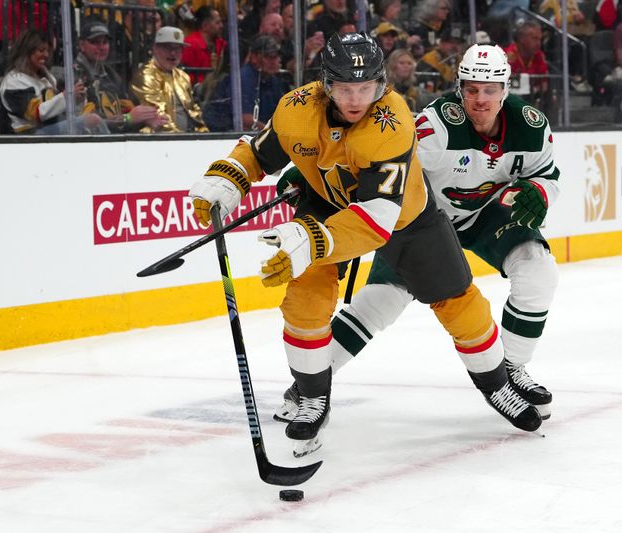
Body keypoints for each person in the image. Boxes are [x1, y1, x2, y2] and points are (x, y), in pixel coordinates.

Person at [189, 32, 543, 457]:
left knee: (458, 302)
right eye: (344, 88)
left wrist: (309, 239)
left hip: (406, 216)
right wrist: (227, 178)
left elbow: (377, 219)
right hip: (325, 203)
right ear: (325, 85)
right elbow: (260, 152)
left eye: (365, 89)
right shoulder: (295, 109)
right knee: (305, 297)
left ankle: (496, 385)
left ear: (381, 86)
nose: (356, 99)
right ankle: (313, 396)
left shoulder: (391, 121)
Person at [273, 43, 559, 426]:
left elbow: (547, 175)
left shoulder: (531, 126)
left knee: (539, 270)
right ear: (459, 87)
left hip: (486, 217)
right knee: (379, 303)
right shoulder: (435, 126)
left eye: (490, 90)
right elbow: (375, 162)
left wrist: (539, 192)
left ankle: (510, 370)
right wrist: (315, 176)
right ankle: (308, 388)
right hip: (424, 221)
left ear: (506, 89)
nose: (480, 99)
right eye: (471, 88)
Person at [0, 30, 109, 134]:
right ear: (27, 52)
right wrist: (68, 96)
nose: (46, 55)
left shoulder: (46, 77)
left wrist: (77, 101)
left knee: (95, 121)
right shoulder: (14, 81)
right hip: (29, 135)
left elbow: (59, 110)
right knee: (92, 120)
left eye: (48, 51)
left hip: (50, 129)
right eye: (41, 50)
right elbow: (36, 113)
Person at [75, 20, 166, 132]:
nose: (102, 47)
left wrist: (144, 120)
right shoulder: (72, 75)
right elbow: (87, 124)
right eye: (95, 42)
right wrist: (127, 119)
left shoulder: (111, 75)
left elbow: (127, 112)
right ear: (81, 45)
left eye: (105, 42)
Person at [130, 26, 208, 133]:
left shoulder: (183, 76)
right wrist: (183, 139)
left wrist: (203, 131)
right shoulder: (146, 75)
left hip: (188, 136)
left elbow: (193, 109)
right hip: (159, 140)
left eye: (178, 48)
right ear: (155, 48)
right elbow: (158, 118)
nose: (173, 53)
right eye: (168, 48)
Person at [203, 34, 285, 131]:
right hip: (227, 135)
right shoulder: (243, 78)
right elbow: (244, 120)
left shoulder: (273, 81)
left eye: (277, 57)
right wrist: (272, 132)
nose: (276, 61)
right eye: (271, 57)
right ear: (254, 57)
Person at [181, 6, 227, 86]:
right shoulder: (190, 45)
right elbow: (186, 77)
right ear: (205, 26)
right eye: (217, 23)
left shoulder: (222, 44)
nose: (221, 26)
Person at [416, 23, 467, 93]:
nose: (454, 46)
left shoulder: (462, 61)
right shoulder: (429, 60)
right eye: (451, 42)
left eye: (458, 43)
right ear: (441, 43)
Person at [386, 48, 438, 112]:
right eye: (401, 63)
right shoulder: (385, 90)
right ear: (392, 65)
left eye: (409, 63)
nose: (406, 66)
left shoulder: (416, 92)